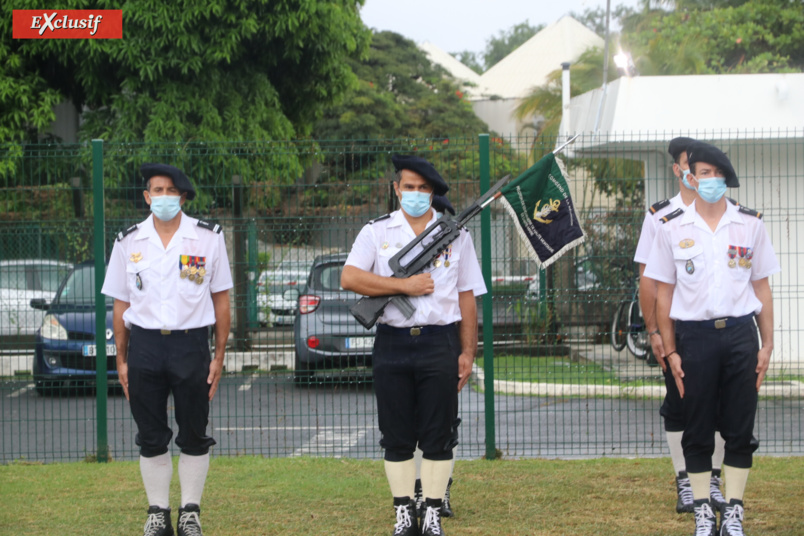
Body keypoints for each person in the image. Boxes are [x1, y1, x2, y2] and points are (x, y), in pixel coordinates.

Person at [342, 155, 486, 536]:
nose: (416, 194)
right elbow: (350, 277)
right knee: (396, 435)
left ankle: (434, 512)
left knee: (439, 433)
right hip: (392, 343)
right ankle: (404, 513)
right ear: (396, 189)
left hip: (440, 341)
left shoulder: (456, 236)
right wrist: (402, 285)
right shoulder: (376, 232)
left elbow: (468, 297)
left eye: (424, 189)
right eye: (409, 187)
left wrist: (468, 352)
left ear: (433, 193)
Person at [645, 142, 779, 536]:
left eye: (712, 174)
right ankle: (703, 509)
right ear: (688, 177)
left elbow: (763, 289)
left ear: (725, 178)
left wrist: (767, 344)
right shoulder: (672, 227)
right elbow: (664, 293)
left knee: (740, 427)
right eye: (699, 173)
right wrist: (669, 349)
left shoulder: (750, 224)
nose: (705, 180)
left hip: (740, 335)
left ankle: (734, 510)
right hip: (694, 338)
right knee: (697, 427)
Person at [102, 163, 233, 536]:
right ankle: (157, 513)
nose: (162, 197)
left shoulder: (208, 238)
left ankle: (189, 511)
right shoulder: (128, 241)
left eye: (169, 191)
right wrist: (122, 360)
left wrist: (219, 355)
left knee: (194, 430)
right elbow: (120, 305)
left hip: (191, 344)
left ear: (183, 196)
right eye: (155, 191)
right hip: (143, 345)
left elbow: (221, 300)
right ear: (146, 197)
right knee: (151, 432)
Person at [633, 137, 727, 514]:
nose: (699, 174)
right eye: (692, 166)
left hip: (718, 328)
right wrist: (654, 331)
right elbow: (647, 280)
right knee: (680, 403)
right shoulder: (660, 216)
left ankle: (714, 479)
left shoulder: (726, 212)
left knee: (720, 404)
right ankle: (685, 480)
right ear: (678, 169)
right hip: (676, 330)